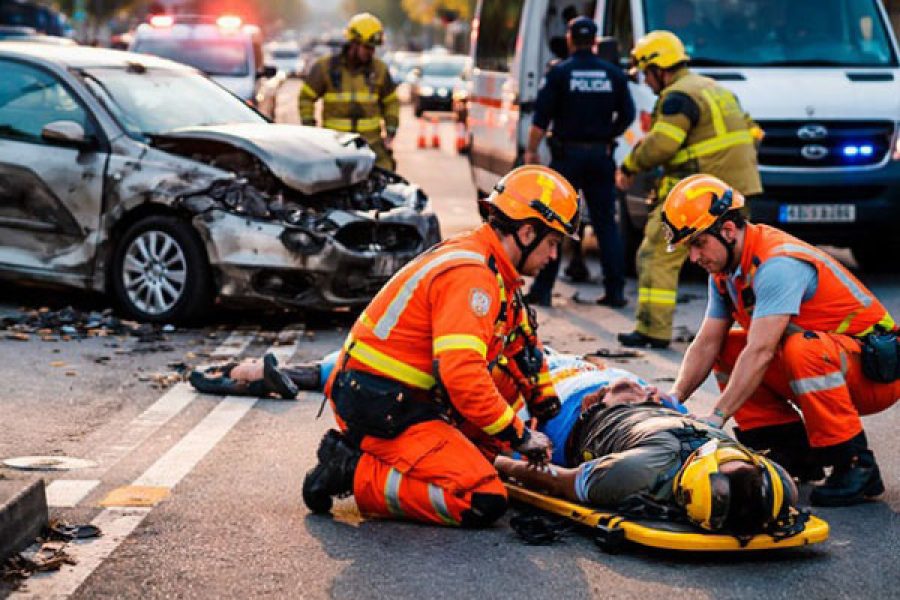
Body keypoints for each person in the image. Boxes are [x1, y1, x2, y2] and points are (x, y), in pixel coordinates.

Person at [302, 165, 581, 527]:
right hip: (381, 408)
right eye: (552, 243)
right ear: (527, 232)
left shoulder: (494, 271)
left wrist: (547, 407)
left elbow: (523, 351)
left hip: (401, 399)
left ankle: (458, 461)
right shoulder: (473, 276)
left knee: (507, 381)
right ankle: (352, 470)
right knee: (483, 500)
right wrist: (520, 435)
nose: (553, 257)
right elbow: (462, 375)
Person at [660, 174, 899, 506]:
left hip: (877, 373)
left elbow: (761, 351)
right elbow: (706, 342)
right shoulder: (726, 274)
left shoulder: (776, 264)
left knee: (803, 350)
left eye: (698, 243)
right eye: (689, 247)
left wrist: (718, 415)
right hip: (842, 363)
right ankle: (789, 452)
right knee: (729, 347)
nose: (694, 257)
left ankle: (855, 465)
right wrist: (674, 399)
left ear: (728, 231)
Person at [494, 352, 800, 536]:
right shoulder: (763, 476)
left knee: (519, 359)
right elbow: (776, 484)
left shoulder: (637, 471)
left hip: (570, 401)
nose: (722, 449)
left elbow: (559, 482)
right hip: (632, 391)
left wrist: (499, 463)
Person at [616, 30, 762, 349]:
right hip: (739, 187)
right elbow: (753, 130)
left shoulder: (677, 97)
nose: (646, 83)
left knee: (657, 252)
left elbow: (662, 145)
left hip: (704, 192)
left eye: (646, 74)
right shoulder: (715, 89)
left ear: (659, 69)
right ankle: (757, 330)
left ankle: (653, 330)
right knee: (736, 259)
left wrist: (629, 166)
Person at [523, 16, 635, 308]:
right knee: (605, 226)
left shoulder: (561, 73)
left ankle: (544, 289)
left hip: (567, 157)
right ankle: (615, 291)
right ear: (595, 41)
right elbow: (628, 114)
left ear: (571, 39)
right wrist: (609, 135)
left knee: (556, 221)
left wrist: (531, 152)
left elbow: (540, 120)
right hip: (601, 156)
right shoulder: (613, 74)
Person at [298, 13, 399, 170]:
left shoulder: (379, 70)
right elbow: (306, 97)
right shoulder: (326, 67)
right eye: (367, 47)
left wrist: (391, 129)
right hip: (334, 146)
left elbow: (391, 101)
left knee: (387, 178)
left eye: (373, 48)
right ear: (354, 43)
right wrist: (309, 125)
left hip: (371, 145)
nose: (371, 52)